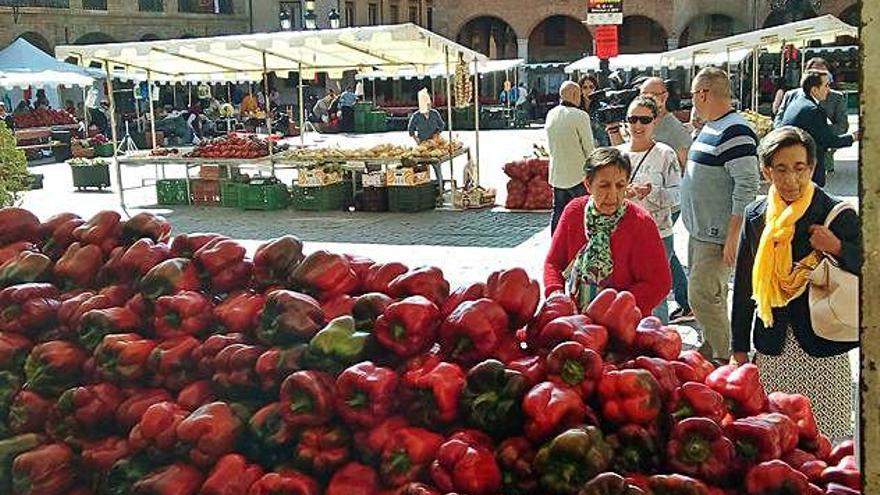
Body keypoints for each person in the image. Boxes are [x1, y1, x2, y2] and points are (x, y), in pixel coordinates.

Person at [731, 126, 859, 441]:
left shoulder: (833, 213)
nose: (791, 179)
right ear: (766, 171)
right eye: (781, 169)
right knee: (776, 439)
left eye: (799, 169)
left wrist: (839, 248)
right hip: (773, 344)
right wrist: (738, 348)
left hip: (823, 342)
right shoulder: (756, 216)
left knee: (827, 440)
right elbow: (746, 285)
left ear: (812, 167)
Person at [681, 67, 760, 361]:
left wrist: (733, 235)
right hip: (700, 231)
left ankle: (724, 356)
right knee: (712, 295)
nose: (692, 101)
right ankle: (712, 344)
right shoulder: (714, 126)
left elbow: (747, 185)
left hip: (716, 234)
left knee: (700, 294)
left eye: (692, 95)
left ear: (703, 93)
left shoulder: (735, 130)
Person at [544, 147, 672, 314]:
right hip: (577, 320)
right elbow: (554, 263)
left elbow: (659, 282)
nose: (613, 195)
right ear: (588, 185)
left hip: (623, 321)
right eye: (604, 186)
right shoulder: (574, 212)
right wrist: (556, 295)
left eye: (620, 186)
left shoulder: (641, 223)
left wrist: (613, 309)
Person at [615, 96, 681, 322]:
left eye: (644, 120)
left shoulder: (665, 154)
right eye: (633, 119)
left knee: (656, 295)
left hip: (657, 235)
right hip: (622, 235)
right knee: (623, 293)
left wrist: (650, 192)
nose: (638, 126)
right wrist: (621, 194)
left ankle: (657, 345)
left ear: (655, 122)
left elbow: (678, 195)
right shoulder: (617, 155)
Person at [637, 76, 694, 323]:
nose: (650, 98)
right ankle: (685, 300)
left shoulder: (673, 129)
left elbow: (685, 168)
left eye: (655, 94)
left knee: (660, 258)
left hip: (664, 205)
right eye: (644, 93)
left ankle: (665, 316)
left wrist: (658, 189)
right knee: (664, 256)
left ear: (665, 96)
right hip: (641, 204)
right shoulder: (639, 119)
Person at [778, 71, 858, 187]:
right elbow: (828, 141)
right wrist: (853, 137)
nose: (828, 89)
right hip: (806, 171)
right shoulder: (814, 110)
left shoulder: (797, 103)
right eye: (826, 85)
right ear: (814, 90)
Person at [774, 58, 849, 175]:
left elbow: (842, 126)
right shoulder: (793, 95)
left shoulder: (836, 97)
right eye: (814, 71)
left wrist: (819, 132)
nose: (819, 74)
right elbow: (780, 120)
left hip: (820, 152)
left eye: (823, 72)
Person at [545, 81, 594, 233]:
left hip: (557, 174)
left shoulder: (551, 114)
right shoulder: (580, 116)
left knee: (558, 212)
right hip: (578, 174)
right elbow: (589, 148)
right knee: (581, 212)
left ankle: (556, 244)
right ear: (575, 95)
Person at [408, 89, 446, 191]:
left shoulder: (435, 114)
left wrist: (437, 134)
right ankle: (425, 186)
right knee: (423, 168)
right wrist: (417, 141)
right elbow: (410, 130)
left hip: (434, 145)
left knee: (436, 166)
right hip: (422, 145)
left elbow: (441, 125)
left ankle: (440, 185)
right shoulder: (416, 116)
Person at [578, 74, 610, 147]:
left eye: (591, 87)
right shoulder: (577, 109)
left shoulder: (603, 107)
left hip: (602, 148)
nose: (588, 90)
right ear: (581, 90)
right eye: (585, 87)